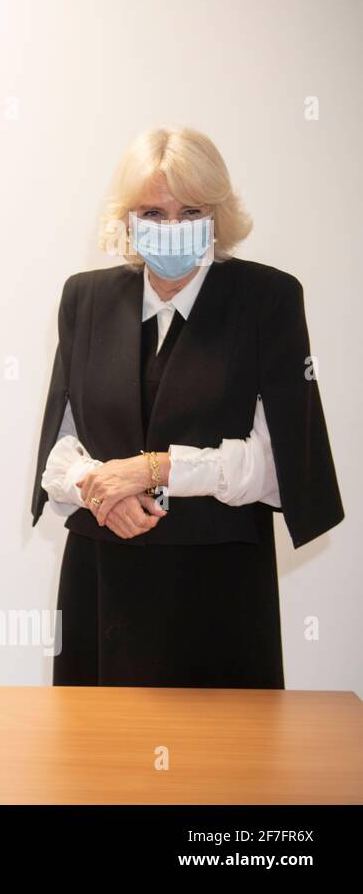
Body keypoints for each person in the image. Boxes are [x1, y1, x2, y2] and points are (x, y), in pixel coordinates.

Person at [31, 126, 344, 688]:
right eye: (152, 212)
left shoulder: (266, 301)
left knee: (222, 769)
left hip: (217, 589)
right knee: (95, 767)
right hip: (102, 583)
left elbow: (280, 468)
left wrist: (154, 469)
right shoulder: (87, 298)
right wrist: (98, 490)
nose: (170, 229)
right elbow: (59, 449)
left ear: (218, 216)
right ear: (126, 219)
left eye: (190, 210)